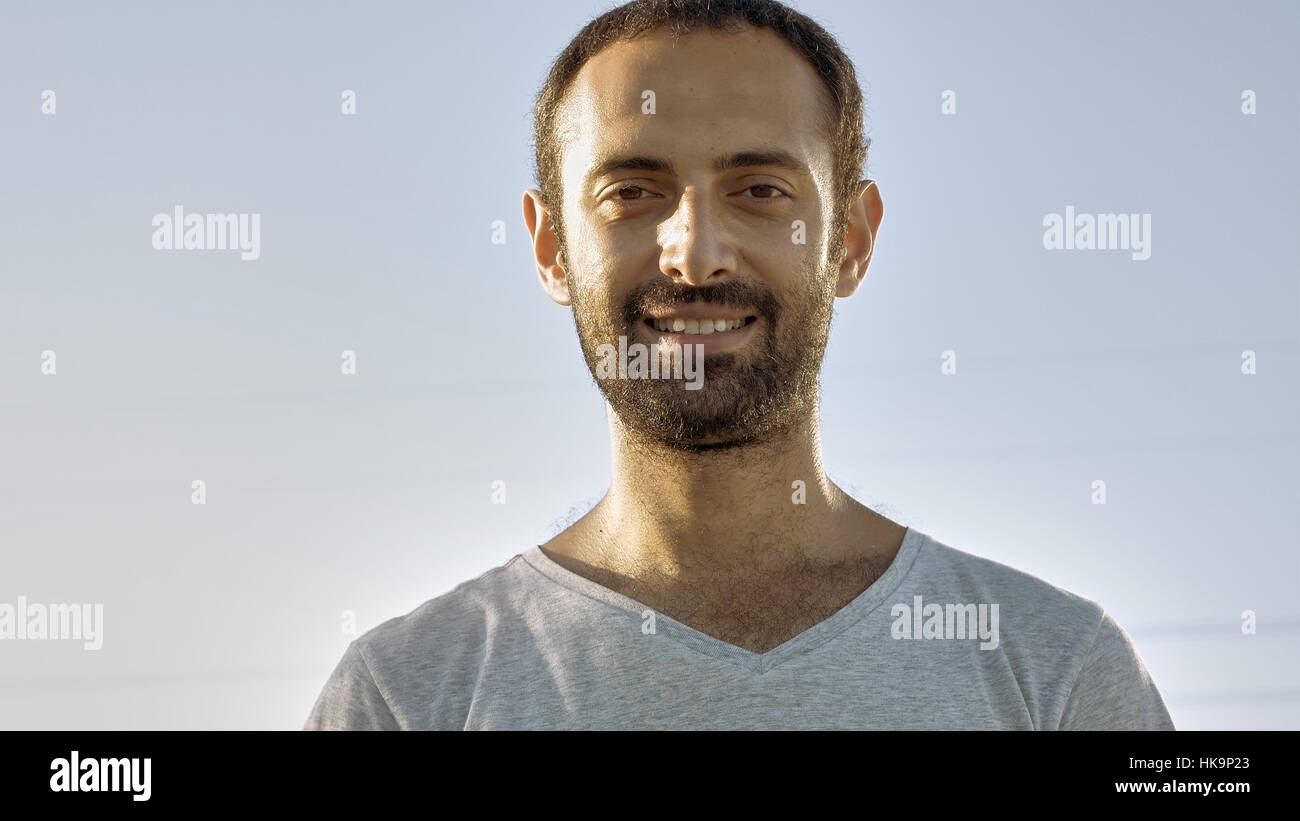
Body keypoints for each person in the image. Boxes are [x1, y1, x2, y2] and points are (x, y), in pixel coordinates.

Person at [305, 0, 1174, 730]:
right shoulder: (407, 696)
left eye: (760, 189)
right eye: (630, 193)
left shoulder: (1056, 672)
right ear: (551, 247)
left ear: (852, 241)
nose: (695, 254)